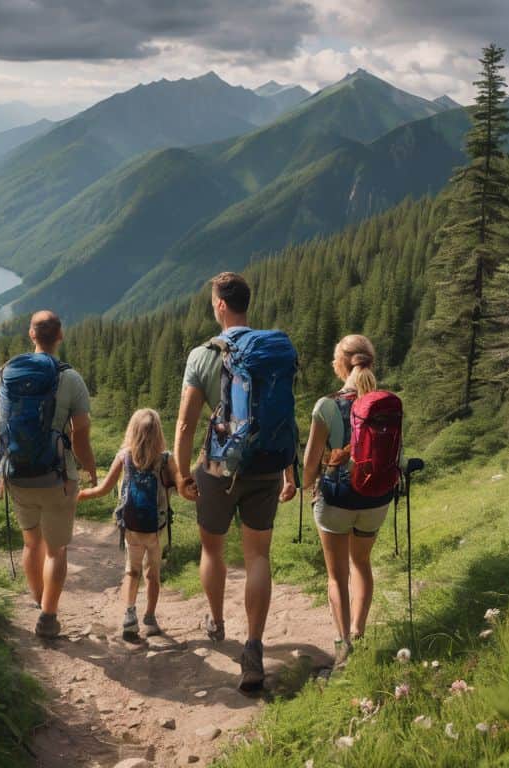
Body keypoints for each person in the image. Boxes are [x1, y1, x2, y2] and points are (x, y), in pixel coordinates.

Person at [175, 272, 297, 692]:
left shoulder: (203, 355)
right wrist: (289, 469)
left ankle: (217, 620)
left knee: (213, 547)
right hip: (266, 465)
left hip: (217, 468)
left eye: (213, 302)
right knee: (257, 556)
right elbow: (283, 413)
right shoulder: (274, 349)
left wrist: (178, 471)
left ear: (221, 305)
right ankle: (255, 646)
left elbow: (187, 422)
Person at [0, 310, 96, 640]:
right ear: (61, 336)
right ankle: (49, 616)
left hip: (16, 476)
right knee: (55, 550)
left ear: (31, 335)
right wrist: (90, 468)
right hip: (57, 478)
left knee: (31, 542)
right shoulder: (71, 379)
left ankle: (40, 602)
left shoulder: (3, 374)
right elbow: (80, 434)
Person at [300, 335, 392, 667]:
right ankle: (360, 632)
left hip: (336, 499)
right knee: (362, 564)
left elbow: (311, 463)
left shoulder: (326, 405)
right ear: (371, 362)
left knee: (337, 575)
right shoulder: (388, 403)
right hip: (376, 500)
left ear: (342, 364)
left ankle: (343, 646)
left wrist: (305, 485)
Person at [79, 408, 180, 641]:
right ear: (158, 434)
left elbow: (103, 489)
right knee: (152, 573)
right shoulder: (166, 459)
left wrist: (81, 494)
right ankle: (151, 618)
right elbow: (181, 486)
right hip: (156, 528)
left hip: (131, 527)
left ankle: (129, 616)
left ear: (132, 431)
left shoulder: (124, 456)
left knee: (131, 571)